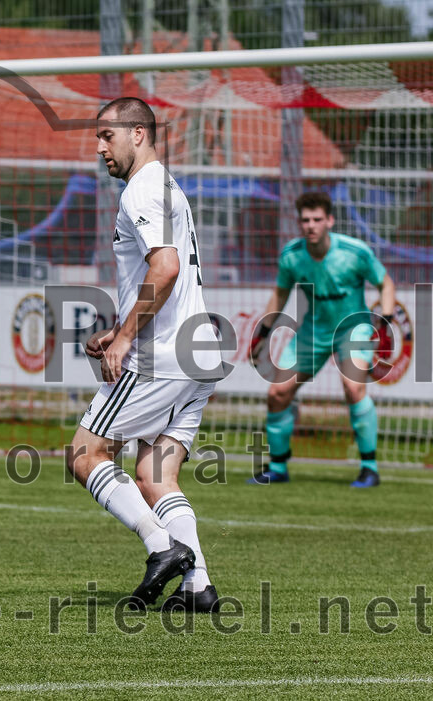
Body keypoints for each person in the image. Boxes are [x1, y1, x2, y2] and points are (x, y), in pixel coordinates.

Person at [67, 97, 225, 613]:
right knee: (157, 475)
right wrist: (118, 329)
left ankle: (162, 547)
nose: (99, 147)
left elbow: (166, 267)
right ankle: (197, 585)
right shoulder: (167, 185)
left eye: (106, 135)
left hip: (163, 354)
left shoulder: (142, 188)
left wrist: (125, 339)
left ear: (138, 133)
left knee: (85, 454)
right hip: (198, 351)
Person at [248, 191, 396, 488]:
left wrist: (386, 322)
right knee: (278, 393)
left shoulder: (354, 252)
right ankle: (277, 467)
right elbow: (280, 294)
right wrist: (262, 333)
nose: (311, 225)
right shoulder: (292, 255)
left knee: (353, 387)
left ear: (330, 220)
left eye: (317, 219)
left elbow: (385, 283)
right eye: (305, 220)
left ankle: (369, 467)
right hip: (313, 332)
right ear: (299, 223)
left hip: (353, 330)